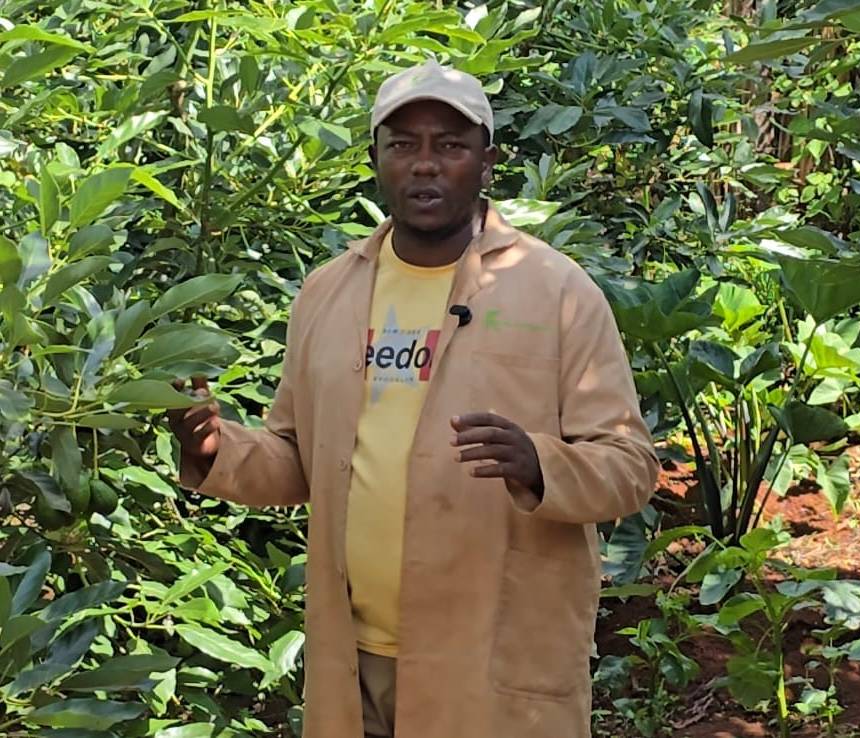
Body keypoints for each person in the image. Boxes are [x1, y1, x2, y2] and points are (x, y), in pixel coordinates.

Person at [168, 59, 659, 738]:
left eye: (450, 146)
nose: (425, 165)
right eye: (403, 145)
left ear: (487, 161)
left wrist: (539, 464)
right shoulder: (329, 292)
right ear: (376, 159)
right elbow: (296, 456)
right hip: (354, 662)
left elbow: (630, 465)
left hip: (491, 664)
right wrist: (215, 448)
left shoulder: (556, 292)